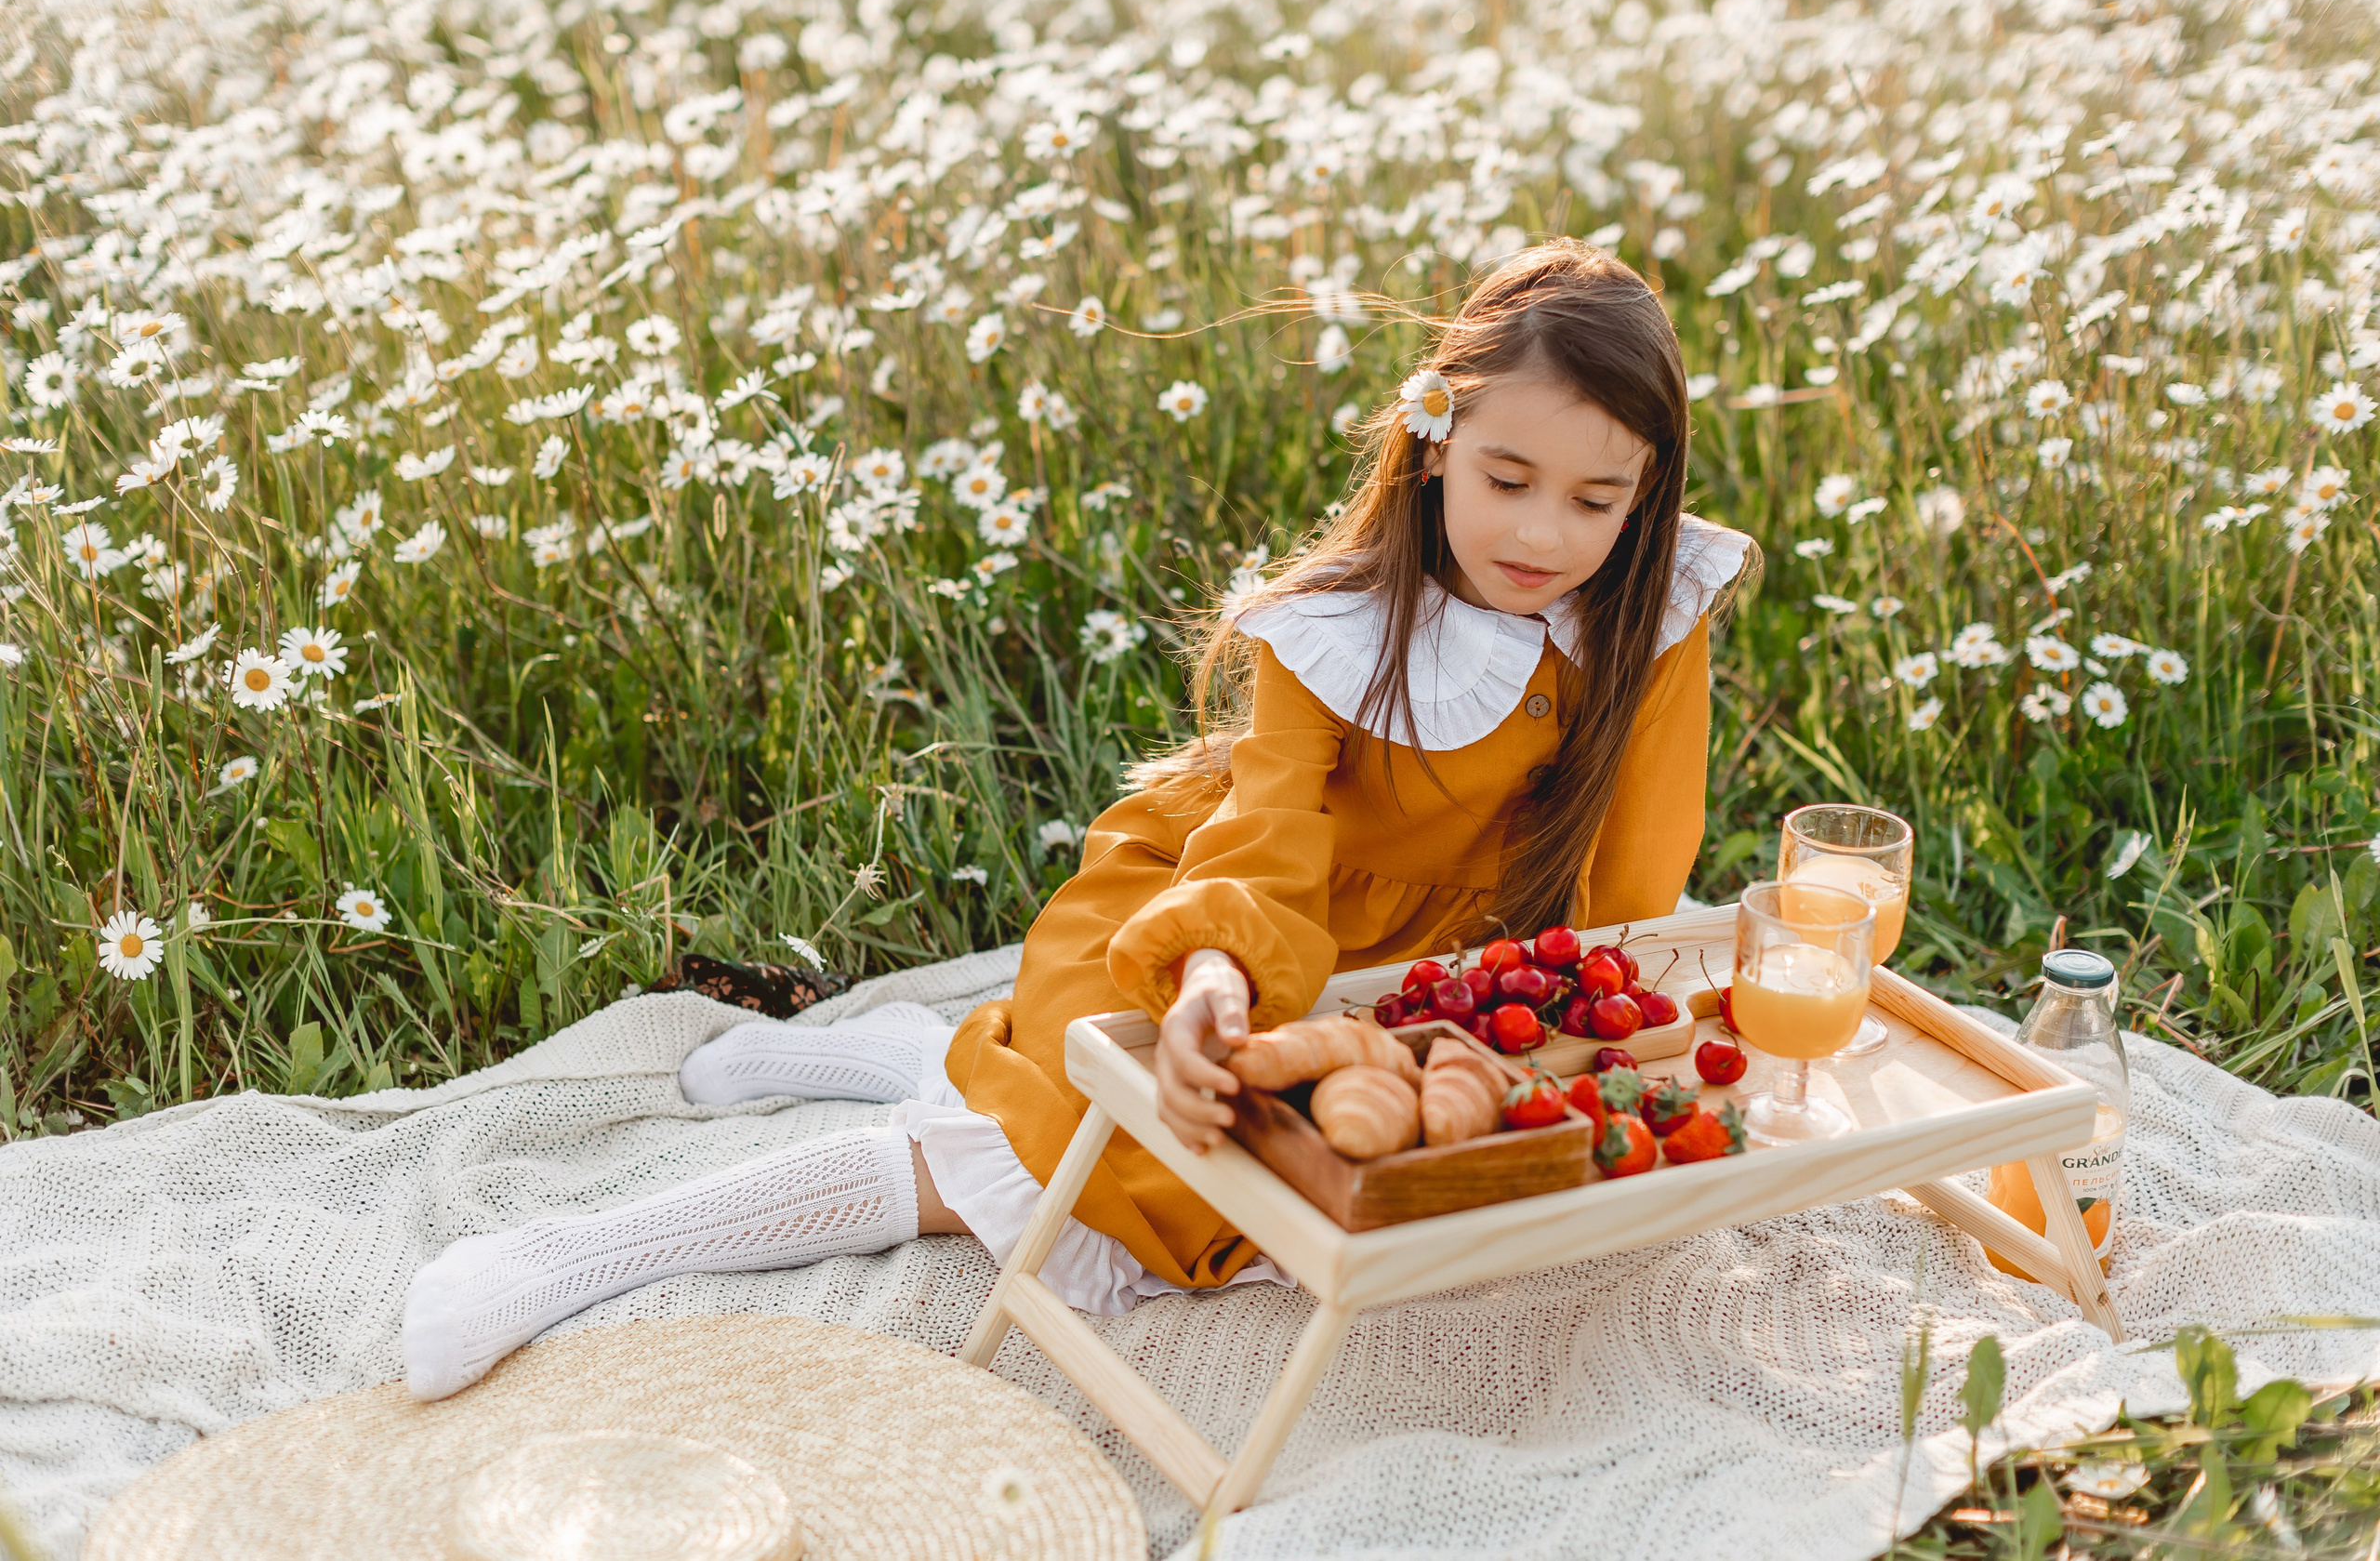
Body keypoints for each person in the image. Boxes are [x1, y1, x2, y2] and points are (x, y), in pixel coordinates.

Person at [401, 239, 1753, 1401]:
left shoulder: (1650, 608)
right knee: (1057, 1174)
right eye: (1507, 478)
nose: (1546, 534)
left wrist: (1601, 1019)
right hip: (1228, 916)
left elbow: (1640, 870)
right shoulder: (1334, 631)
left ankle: (897, 1047)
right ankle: (571, 1255)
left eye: (1599, 497)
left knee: (1324, 1179)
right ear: (1434, 444)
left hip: (1431, 976)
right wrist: (1212, 983)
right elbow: (1265, 843)